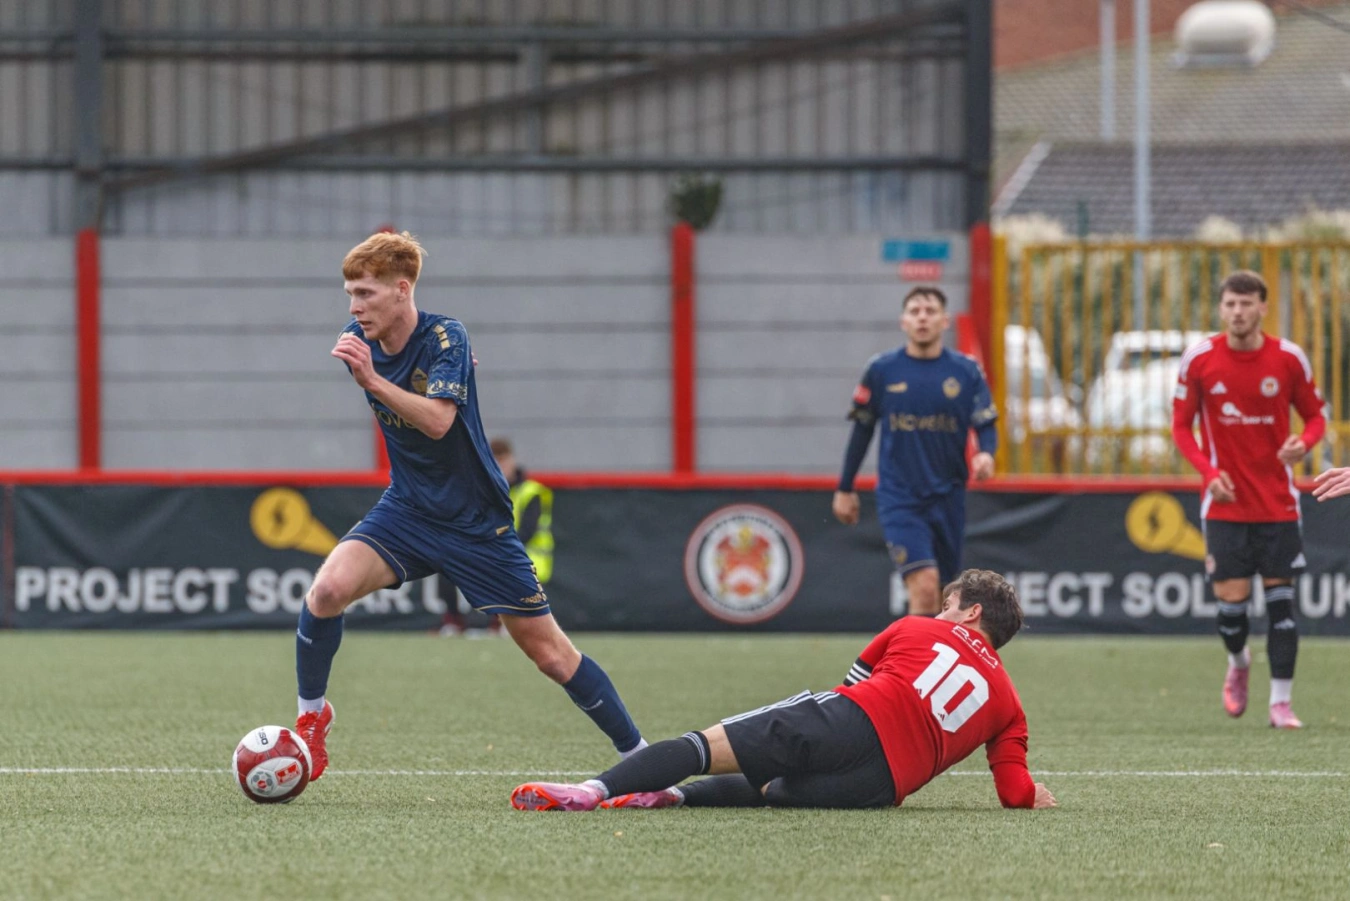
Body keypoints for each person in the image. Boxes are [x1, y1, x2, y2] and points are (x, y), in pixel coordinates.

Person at [293, 231, 646, 780]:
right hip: (408, 510)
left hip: (475, 521)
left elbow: (438, 422)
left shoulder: (446, 337)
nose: (354, 307)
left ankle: (641, 758)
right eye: (350, 295)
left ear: (402, 290)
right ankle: (310, 722)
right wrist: (374, 373)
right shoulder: (357, 339)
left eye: (365, 293)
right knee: (326, 591)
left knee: (552, 656)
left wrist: (372, 380)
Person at [510, 569, 1056, 813]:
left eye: (949, 605)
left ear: (972, 612)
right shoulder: (1009, 706)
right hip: (876, 790)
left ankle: (593, 791)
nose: (941, 612)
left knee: (704, 746)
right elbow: (1014, 792)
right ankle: (672, 796)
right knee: (771, 787)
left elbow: (853, 685)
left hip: (851, 720)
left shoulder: (915, 627)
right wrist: (1034, 796)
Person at [1171, 270, 1326, 729]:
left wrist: (1304, 443)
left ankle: (1281, 703)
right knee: (1231, 612)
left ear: (1262, 307)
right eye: (1230, 304)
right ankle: (1239, 662)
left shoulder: (1288, 358)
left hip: (1278, 503)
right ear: (1222, 309)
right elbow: (1181, 427)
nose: (1238, 312)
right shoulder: (1200, 360)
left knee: (1282, 606)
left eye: (1246, 303)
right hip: (1225, 504)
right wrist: (1208, 473)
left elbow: (1316, 416)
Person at [833, 286, 998, 615]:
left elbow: (986, 423)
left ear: (944, 321)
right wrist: (845, 487)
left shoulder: (966, 371)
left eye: (930, 311)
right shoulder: (882, 370)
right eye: (915, 311)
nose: (922, 317)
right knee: (923, 586)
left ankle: (929, 650)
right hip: (901, 497)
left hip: (949, 495)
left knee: (945, 597)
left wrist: (986, 453)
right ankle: (912, 651)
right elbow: (862, 429)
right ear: (903, 321)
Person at [440, 437, 553, 637]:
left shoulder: (531, 492)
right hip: (493, 550)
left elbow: (527, 532)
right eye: (495, 461)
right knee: (447, 564)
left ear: (512, 460)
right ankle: (454, 622)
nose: (500, 467)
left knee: (499, 565)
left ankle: (502, 621)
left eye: (503, 460)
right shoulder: (482, 490)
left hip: (526, 558)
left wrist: (492, 547)